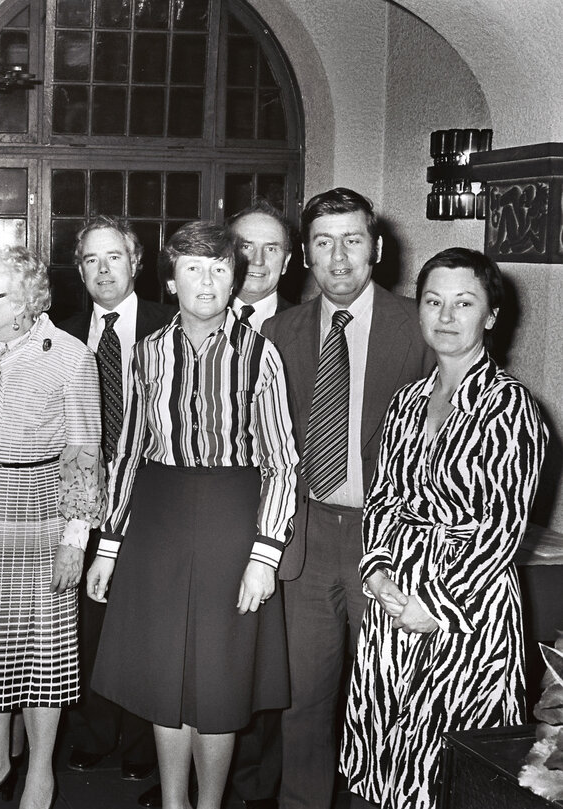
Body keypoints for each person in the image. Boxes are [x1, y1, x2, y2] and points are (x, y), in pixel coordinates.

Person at [86, 221, 297, 809]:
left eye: (220, 268)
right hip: (158, 520)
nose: (207, 282)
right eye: (193, 269)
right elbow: (127, 452)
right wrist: (109, 546)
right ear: (171, 280)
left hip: (234, 521)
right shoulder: (148, 352)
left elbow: (281, 461)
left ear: (236, 279)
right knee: (164, 675)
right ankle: (174, 802)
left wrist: (264, 554)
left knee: (219, 677)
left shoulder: (260, 352)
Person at [340, 248, 546, 809]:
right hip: (392, 601)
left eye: (464, 303)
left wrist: (436, 603)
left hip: (466, 613)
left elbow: (501, 528)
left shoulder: (512, 408)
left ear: (491, 315)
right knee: (388, 753)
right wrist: (378, 573)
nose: (447, 316)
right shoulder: (407, 401)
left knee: (452, 767)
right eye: (434, 301)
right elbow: (383, 496)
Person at [261, 188, 435, 809]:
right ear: (305, 254)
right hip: (304, 544)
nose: (338, 258)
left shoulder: (420, 323)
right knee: (302, 702)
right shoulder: (278, 334)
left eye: (352, 240)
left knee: (390, 701)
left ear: (378, 249)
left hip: (390, 545)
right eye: (323, 242)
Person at [0, 246, 104, 809]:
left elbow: (84, 454)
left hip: (36, 513)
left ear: (28, 301)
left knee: (43, 655)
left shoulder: (71, 357)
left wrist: (74, 540)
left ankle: (39, 774)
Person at [57, 215, 173, 795]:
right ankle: (98, 730)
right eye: (91, 261)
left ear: (137, 262)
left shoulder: (170, 324)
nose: (103, 271)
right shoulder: (60, 332)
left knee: (147, 619)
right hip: (80, 498)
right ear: (79, 271)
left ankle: (141, 740)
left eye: (114, 258)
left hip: (152, 494)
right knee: (88, 620)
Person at [224, 199, 296, 809]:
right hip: (210, 522)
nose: (257, 259)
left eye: (272, 247)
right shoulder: (190, 325)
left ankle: (257, 789)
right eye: (244, 245)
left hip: (281, 522)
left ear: (289, 260)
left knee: (270, 665)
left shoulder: (301, 330)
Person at [228, 199, 296, 330]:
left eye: (270, 249)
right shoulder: (194, 318)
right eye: (246, 247)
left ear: (285, 262)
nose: (258, 260)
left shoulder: (308, 328)